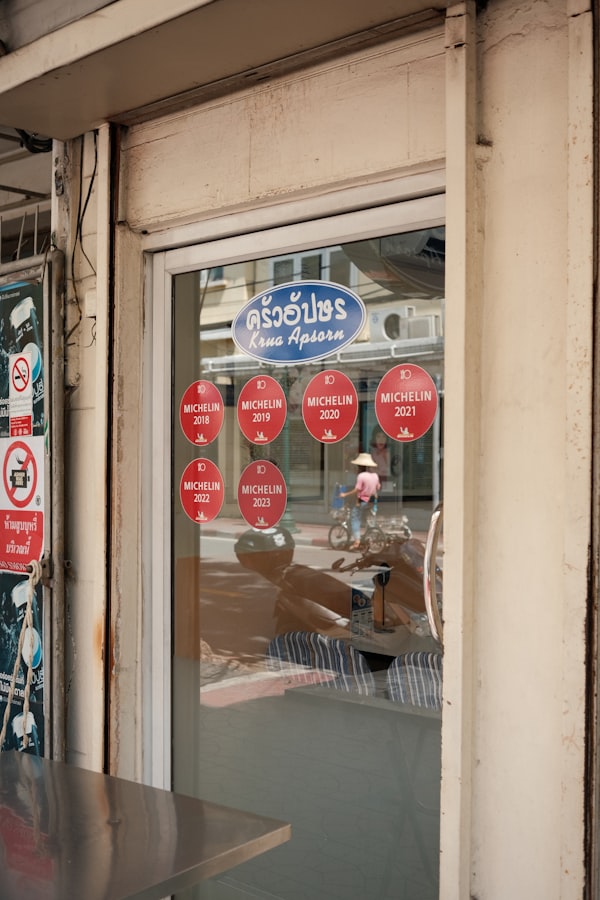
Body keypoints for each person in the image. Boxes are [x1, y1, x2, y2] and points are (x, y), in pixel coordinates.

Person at [339, 452, 381, 550]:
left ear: (360, 466)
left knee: (355, 519)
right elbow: (378, 487)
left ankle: (357, 541)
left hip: (362, 500)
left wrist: (345, 494)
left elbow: (357, 490)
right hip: (371, 501)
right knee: (369, 520)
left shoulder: (361, 476)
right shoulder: (375, 475)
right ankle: (370, 538)